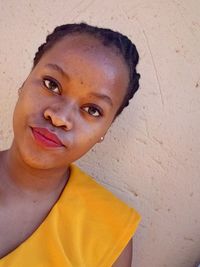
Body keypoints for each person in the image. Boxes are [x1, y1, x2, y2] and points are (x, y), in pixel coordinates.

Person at [0, 23, 141, 266]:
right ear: (24, 82)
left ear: (105, 130)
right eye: (51, 85)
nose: (59, 117)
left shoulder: (109, 234)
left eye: (92, 110)